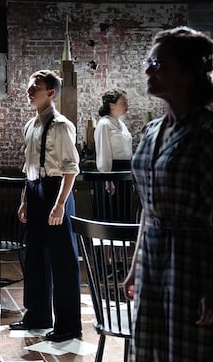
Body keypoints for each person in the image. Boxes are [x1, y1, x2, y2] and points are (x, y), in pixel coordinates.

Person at [123, 27, 213, 362]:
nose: (148, 71)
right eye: (148, 63)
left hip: (191, 260)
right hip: (155, 257)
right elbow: (147, 207)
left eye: (158, 64)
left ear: (189, 73)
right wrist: (136, 263)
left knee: (192, 357)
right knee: (152, 354)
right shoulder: (153, 130)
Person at [9, 70, 82, 343]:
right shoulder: (30, 125)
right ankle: (37, 315)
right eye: (29, 84)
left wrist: (60, 204)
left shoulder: (62, 125)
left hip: (56, 191)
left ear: (50, 92)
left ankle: (68, 325)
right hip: (36, 190)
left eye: (35, 86)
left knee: (63, 260)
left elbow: (70, 169)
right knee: (36, 257)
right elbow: (29, 167)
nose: (29, 89)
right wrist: (25, 200)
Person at [94, 88, 133, 196]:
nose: (127, 106)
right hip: (112, 172)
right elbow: (103, 153)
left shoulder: (121, 124)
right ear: (112, 105)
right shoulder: (104, 124)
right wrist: (108, 179)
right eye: (123, 103)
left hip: (125, 171)